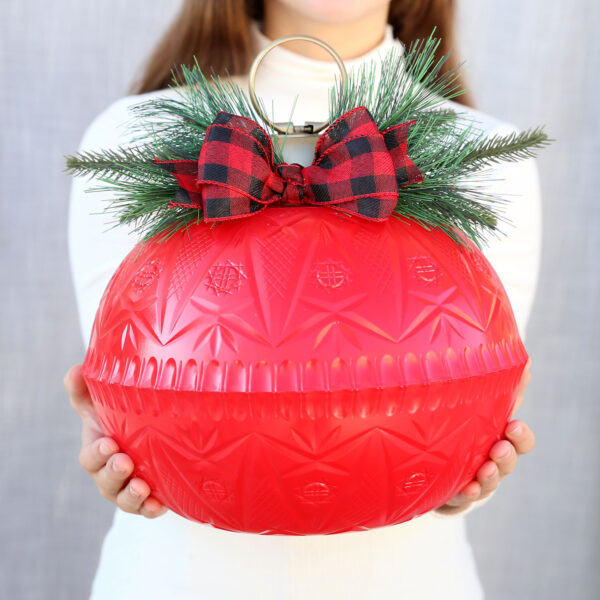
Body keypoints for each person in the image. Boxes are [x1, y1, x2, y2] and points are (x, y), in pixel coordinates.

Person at [64, 0, 539, 598]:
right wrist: (111, 433)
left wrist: (465, 479)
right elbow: (127, 384)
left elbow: (473, 407)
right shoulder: (133, 137)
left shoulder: (487, 153)